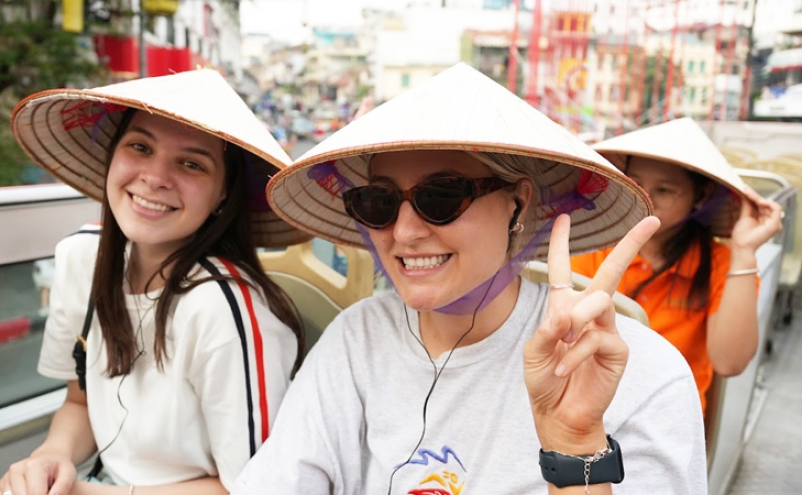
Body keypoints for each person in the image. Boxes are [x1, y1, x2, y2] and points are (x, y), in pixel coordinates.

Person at [234, 63, 707, 494]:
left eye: (441, 197)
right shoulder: (358, 340)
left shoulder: (640, 376)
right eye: (377, 202)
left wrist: (575, 445)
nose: (403, 232)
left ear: (517, 205)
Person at [0, 69, 310, 495]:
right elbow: (80, 401)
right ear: (112, 156)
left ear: (223, 194)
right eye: (140, 146)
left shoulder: (224, 310)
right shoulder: (80, 258)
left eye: (191, 163)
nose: (155, 177)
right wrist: (52, 457)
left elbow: (256, 488)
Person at [571, 118, 784, 413]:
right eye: (635, 183)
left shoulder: (723, 264)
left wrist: (745, 251)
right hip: (588, 408)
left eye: (664, 190)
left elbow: (730, 362)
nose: (645, 199)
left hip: (670, 420)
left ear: (701, 196)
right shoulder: (594, 244)